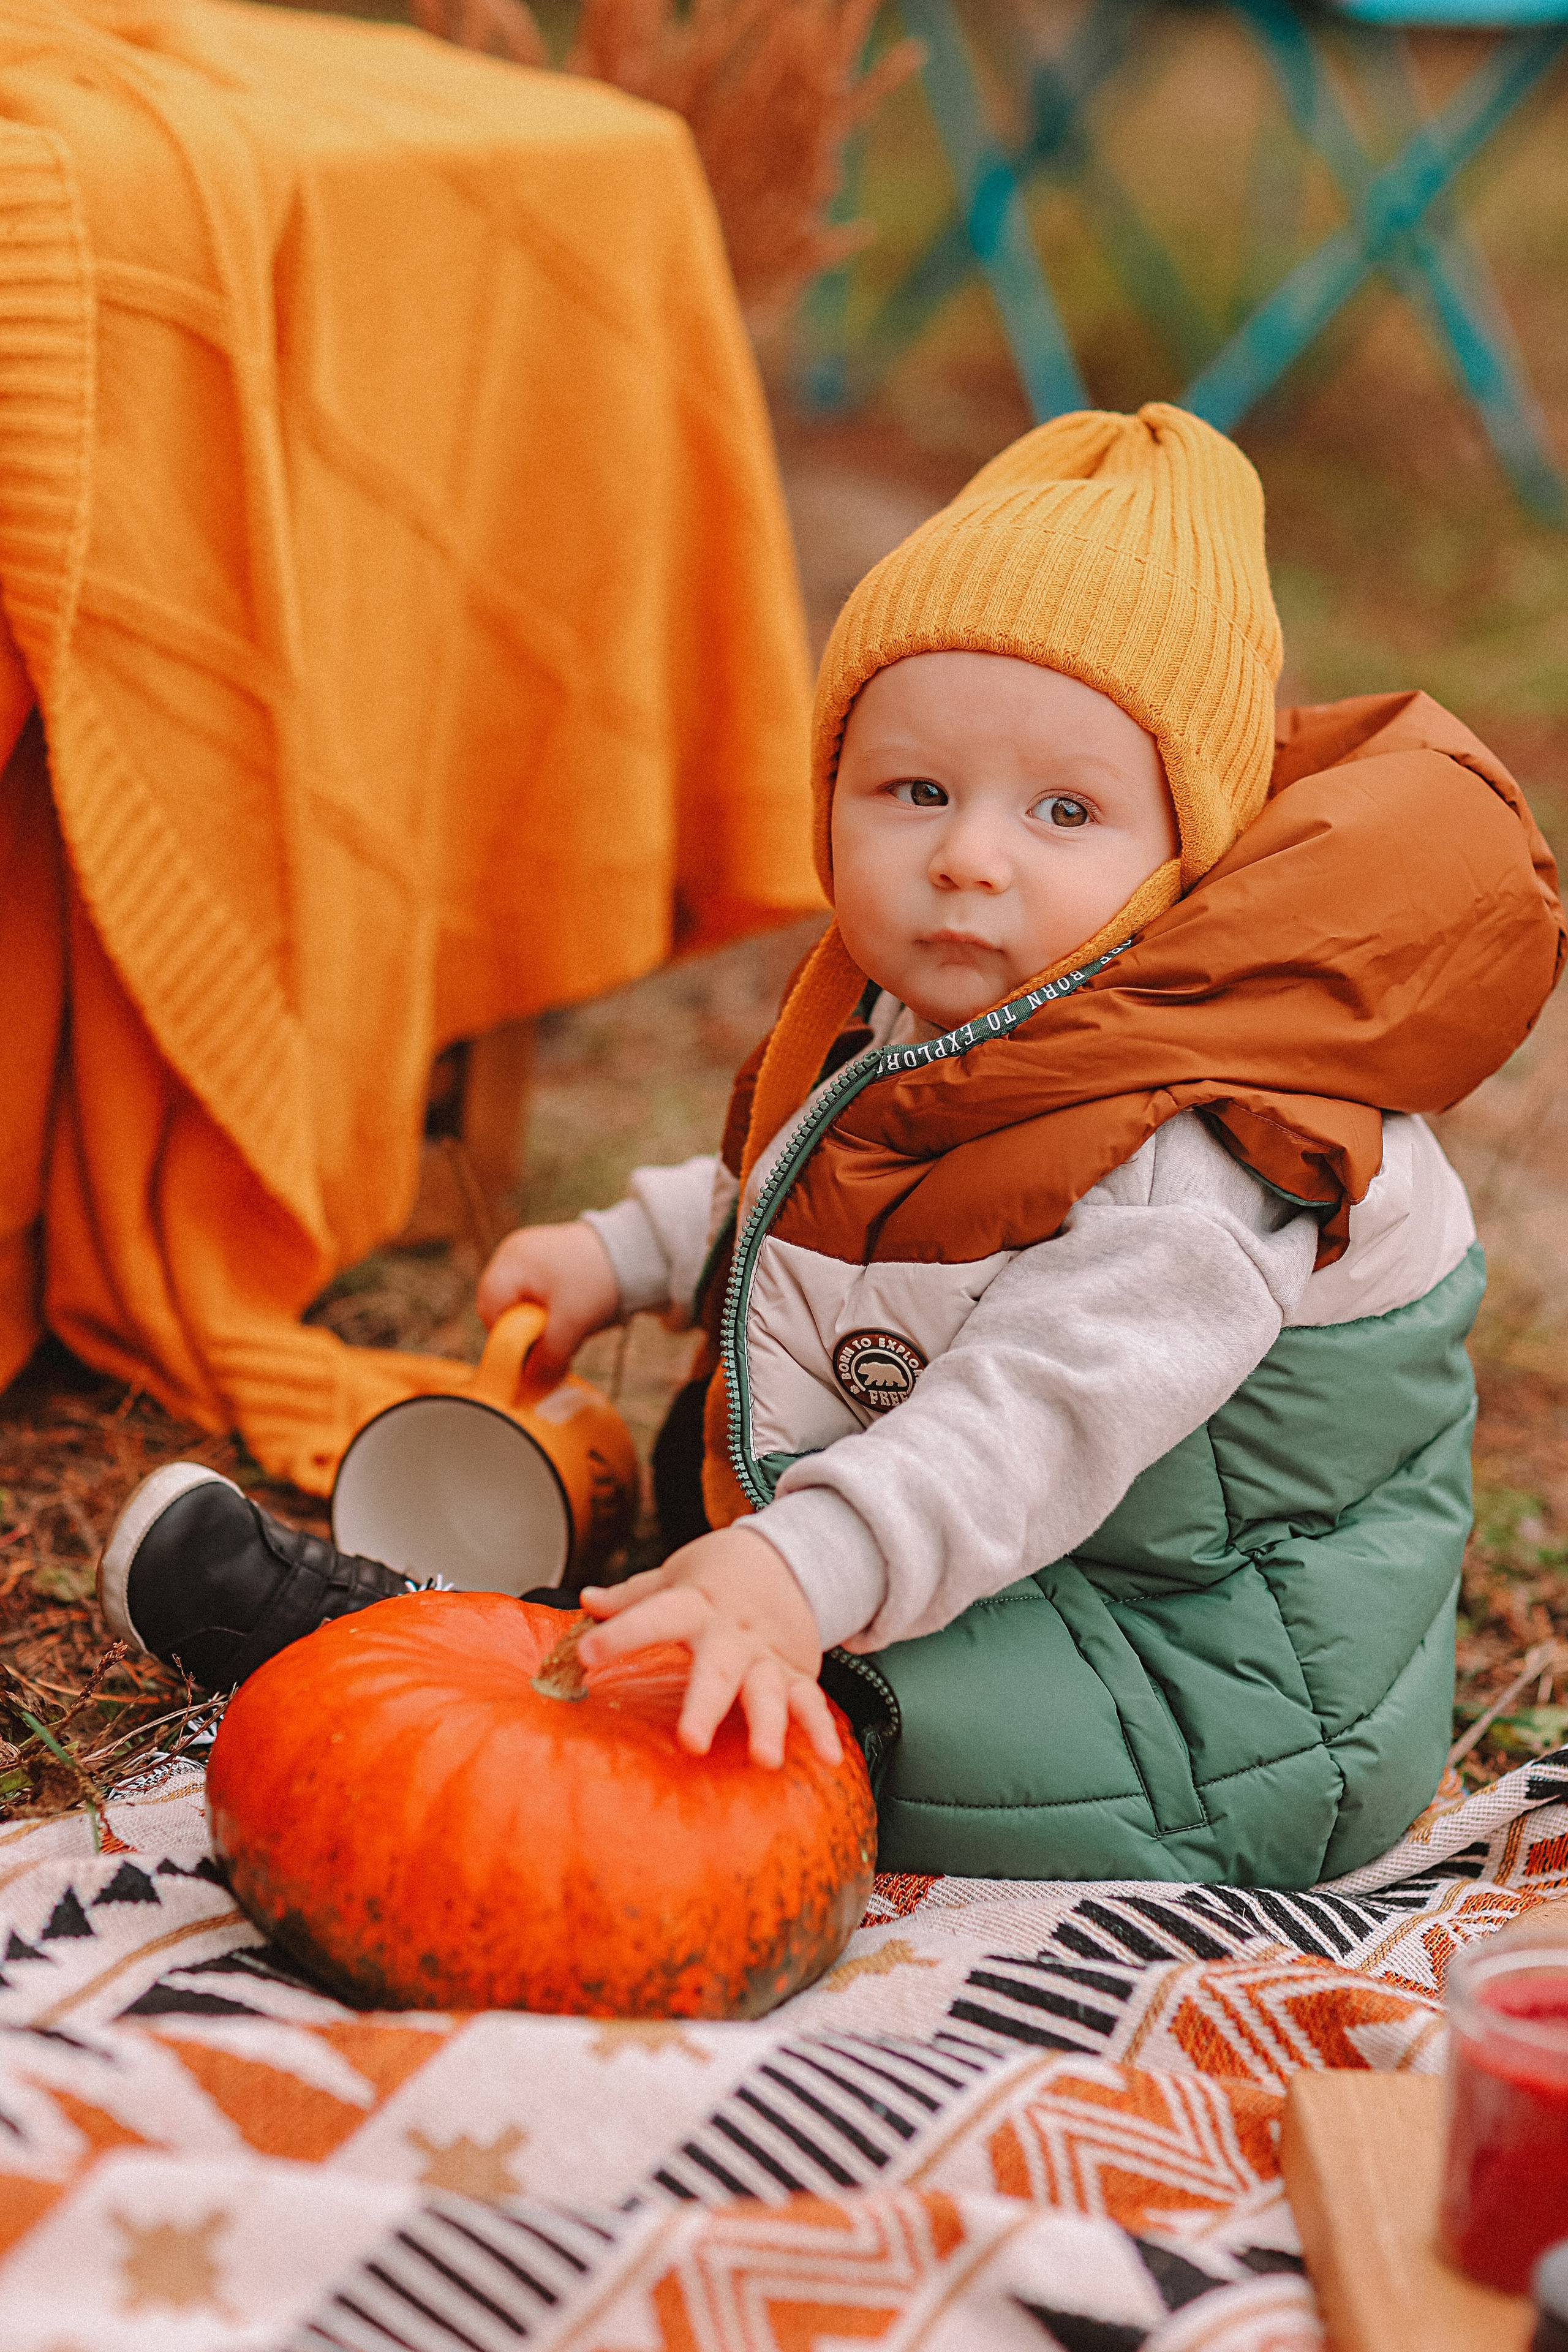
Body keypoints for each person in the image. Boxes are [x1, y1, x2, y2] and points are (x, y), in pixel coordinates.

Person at [99, 405, 1564, 1887]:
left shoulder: (1207, 1135)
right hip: (1015, 1571)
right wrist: (638, 1250)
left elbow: (1039, 1413)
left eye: (1064, 808)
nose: (967, 853)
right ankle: (520, 1626)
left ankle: (395, 1658)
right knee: (714, 1570)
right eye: (914, 790)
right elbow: (832, 1182)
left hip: (1207, 1696)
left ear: (1182, 859)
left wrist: (803, 1570)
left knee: (752, 1725)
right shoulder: (963, 1009)